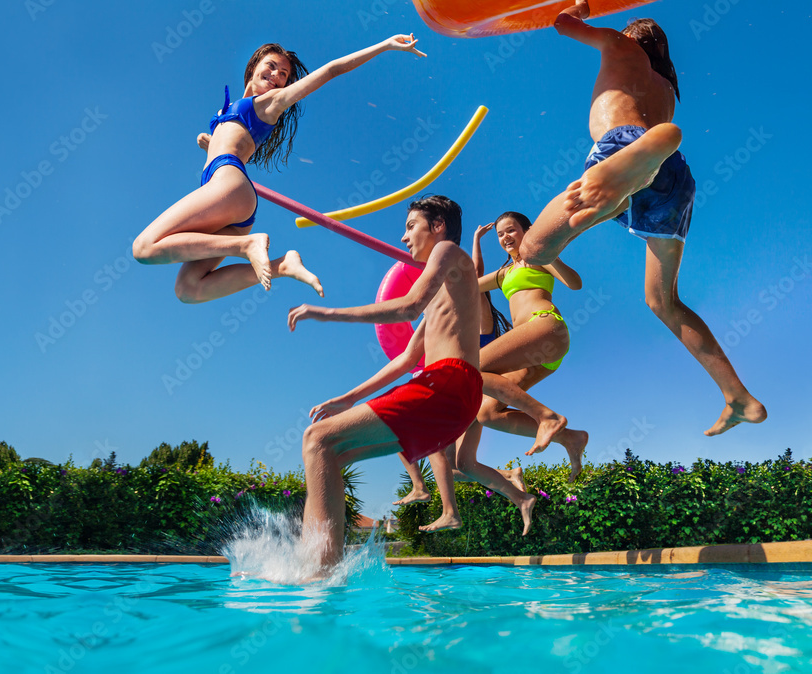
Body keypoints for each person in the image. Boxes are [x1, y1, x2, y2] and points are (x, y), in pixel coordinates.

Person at [519, 1, 765, 436]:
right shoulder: (666, 90)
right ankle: (738, 397)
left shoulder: (619, 47)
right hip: (674, 177)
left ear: (633, 37)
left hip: (622, 148)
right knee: (662, 301)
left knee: (531, 249)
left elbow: (562, 23)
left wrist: (580, 7)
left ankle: (620, 186)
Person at [288, 196, 568, 568]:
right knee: (330, 452)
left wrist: (327, 313)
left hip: (449, 382)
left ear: (437, 227)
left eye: (410, 227)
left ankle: (315, 575)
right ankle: (323, 568)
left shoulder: (450, 251)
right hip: (455, 396)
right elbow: (407, 359)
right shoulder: (443, 291)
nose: (404, 237)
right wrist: (349, 398)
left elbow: (407, 306)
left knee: (316, 439)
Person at [133, 36, 425, 304]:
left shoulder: (269, 104)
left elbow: (331, 70)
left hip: (229, 184)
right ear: (253, 67)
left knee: (144, 248)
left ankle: (248, 245)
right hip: (232, 201)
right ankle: (282, 265)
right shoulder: (232, 110)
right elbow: (235, 142)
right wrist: (209, 143)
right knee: (188, 289)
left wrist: (385, 45)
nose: (276, 76)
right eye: (271, 67)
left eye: (283, 75)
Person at [397, 212, 590, 533]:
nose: (505, 238)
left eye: (511, 230)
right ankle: (571, 438)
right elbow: (467, 282)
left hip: (545, 327)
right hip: (536, 354)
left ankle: (548, 418)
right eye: (501, 234)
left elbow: (575, 283)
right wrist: (432, 269)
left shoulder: (539, 256)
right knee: (487, 412)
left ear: (527, 231)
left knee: (467, 369)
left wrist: (549, 251)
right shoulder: (504, 273)